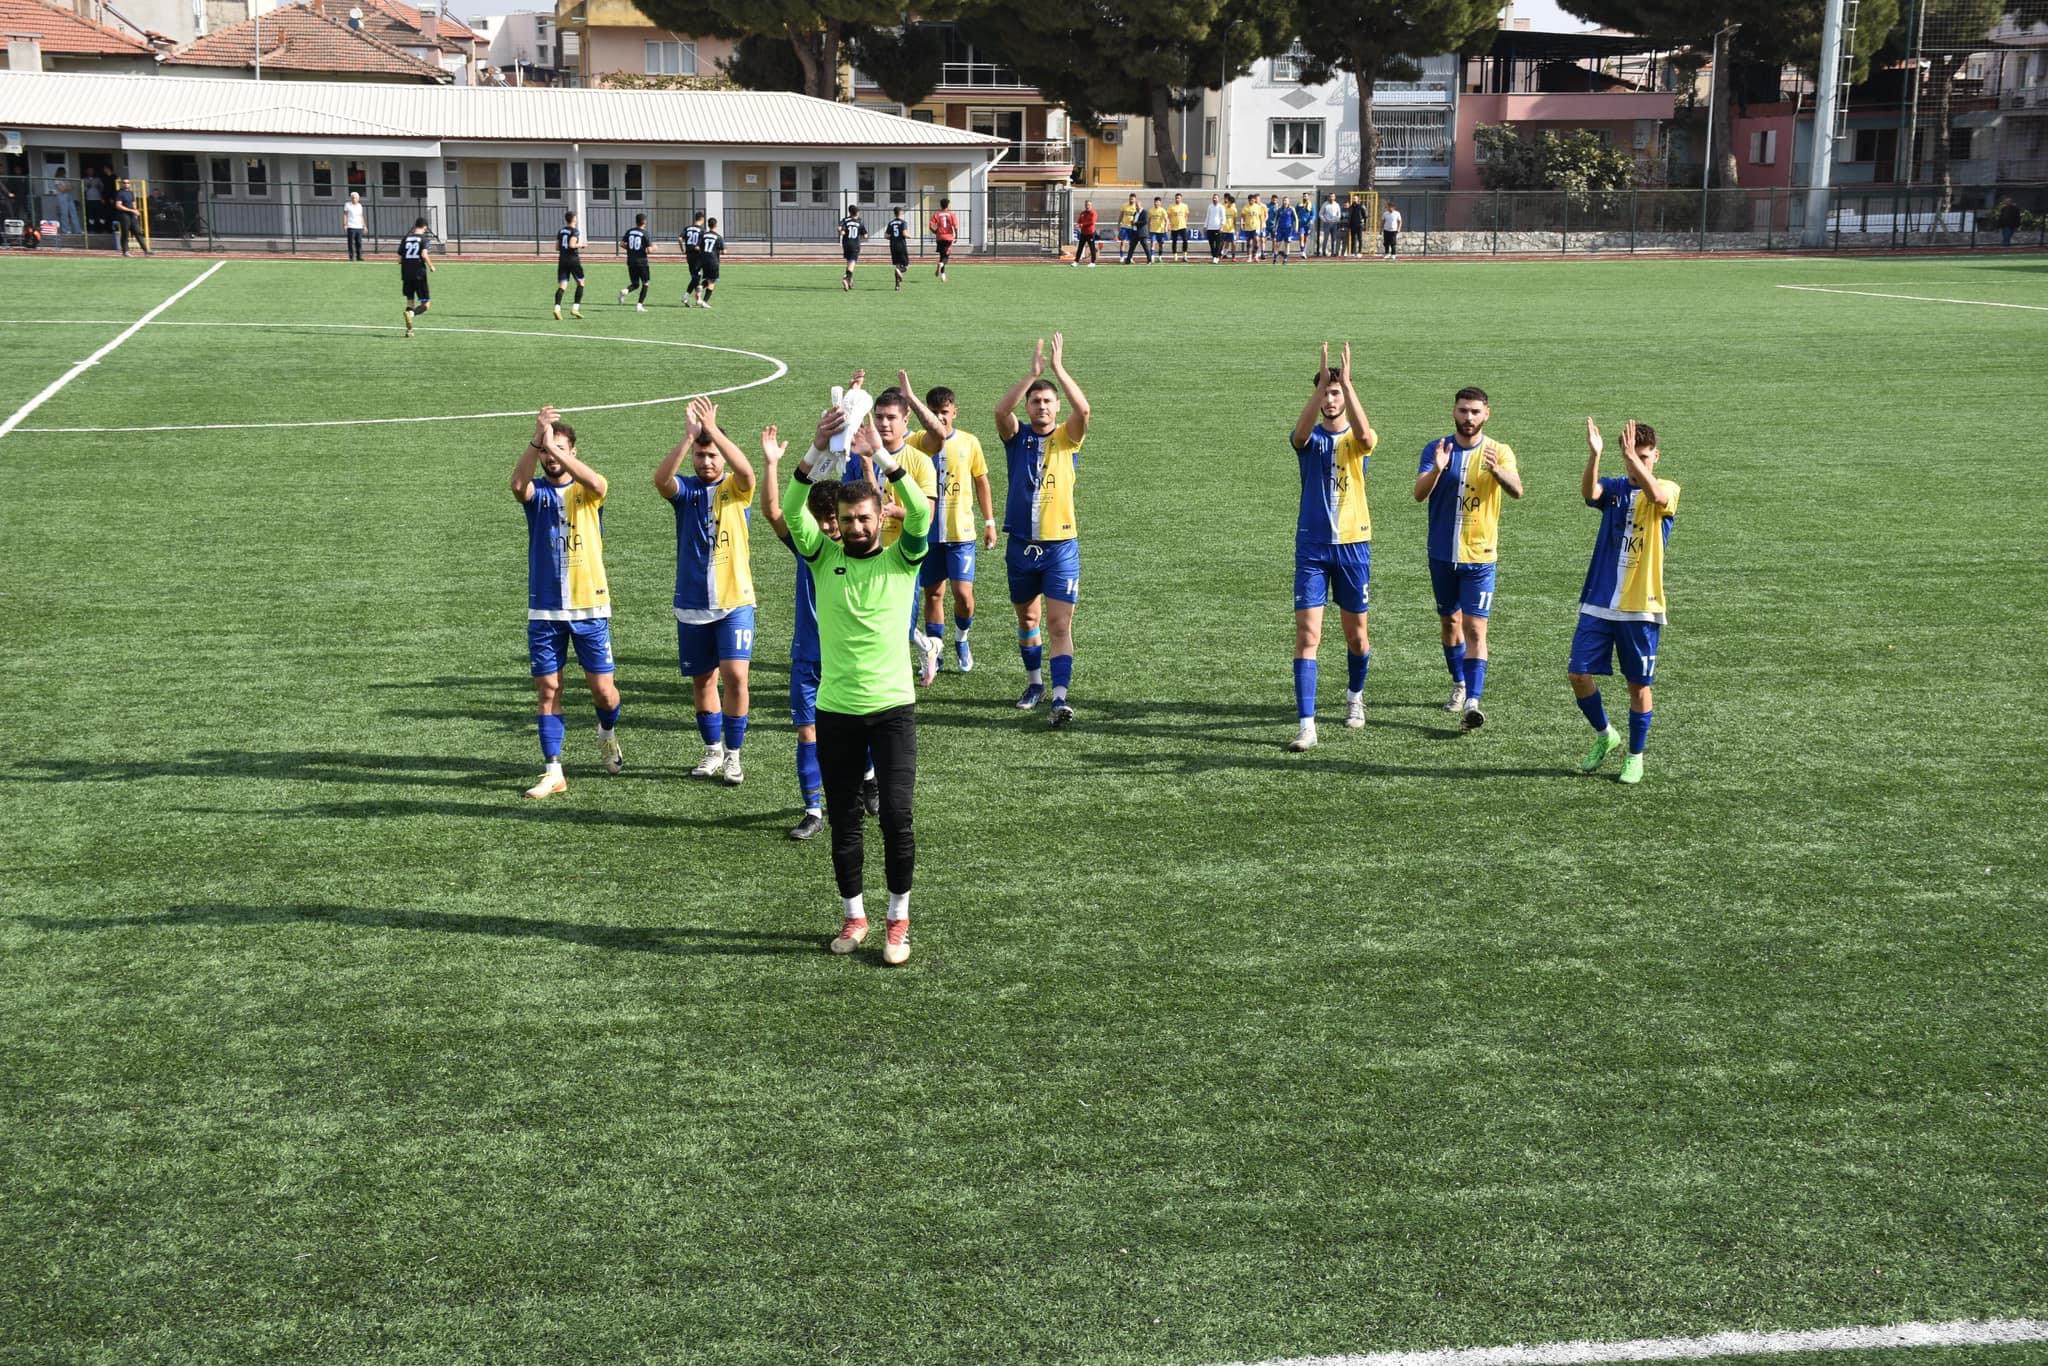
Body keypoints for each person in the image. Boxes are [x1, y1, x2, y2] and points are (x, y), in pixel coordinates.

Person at [785, 409, 933, 965]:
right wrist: (815, 451)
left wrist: (888, 463)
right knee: (844, 820)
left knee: (896, 816)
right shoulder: (822, 559)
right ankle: (854, 916)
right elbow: (789, 511)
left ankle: (898, 919)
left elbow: (919, 514)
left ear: (878, 518)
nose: (857, 527)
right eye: (849, 519)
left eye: (866, 518)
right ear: (840, 522)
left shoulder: (903, 559)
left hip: (893, 710)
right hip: (836, 712)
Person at [512, 405, 622, 800]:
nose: (549, 456)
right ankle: (553, 770)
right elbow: (516, 485)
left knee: (603, 692)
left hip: (590, 608)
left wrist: (554, 446)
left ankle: (606, 733)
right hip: (545, 610)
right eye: (545, 450)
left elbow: (596, 481)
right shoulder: (536, 493)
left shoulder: (588, 491)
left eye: (558, 449)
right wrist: (535, 437)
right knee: (547, 689)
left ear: (572, 451)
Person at [1570, 419, 1679, 786]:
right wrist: (1595, 455)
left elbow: (1658, 499)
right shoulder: (1616, 489)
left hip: (1641, 607)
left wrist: (1633, 459)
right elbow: (1589, 493)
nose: (1637, 464)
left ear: (1656, 457)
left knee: (1638, 687)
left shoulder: (1667, 488)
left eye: (1645, 458)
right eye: (1633, 457)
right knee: (1577, 673)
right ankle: (1605, 735)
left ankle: (1635, 756)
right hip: (1599, 600)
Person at [656, 397, 756, 785]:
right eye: (701, 456)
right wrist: (688, 438)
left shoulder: (736, 488)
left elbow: (747, 471)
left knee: (735, 675)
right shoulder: (686, 491)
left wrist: (713, 431)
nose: (706, 461)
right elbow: (661, 481)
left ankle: (733, 754)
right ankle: (712, 750)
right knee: (703, 681)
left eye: (712, 454)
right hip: (693, 603)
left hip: (735, 601)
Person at [994, 333, 1091, 727]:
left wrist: (1058, 370)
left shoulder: (1068, 437)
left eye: (1048, 401)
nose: (1041, 406)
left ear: (1056, 407)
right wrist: (1031, 375)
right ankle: (1035, 683)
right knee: (1027, 620)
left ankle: (1060, 696)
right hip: (1020, 545)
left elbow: (1084, 410)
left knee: (1058, 624)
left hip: (1060, 547)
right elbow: (1000, 411)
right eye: (1036, 400)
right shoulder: (1016, 437)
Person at [1414, 387, 1523, 731]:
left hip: (1480, 558)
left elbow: (1517, 489)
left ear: (1487, 414)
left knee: (1476, 628)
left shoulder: (1499, 451)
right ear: (1454, 412)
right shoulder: (1437, 449)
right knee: (1450, 624)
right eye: (1463, 411)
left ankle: (1473, 701)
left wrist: (1497, 472)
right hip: (1442, 556)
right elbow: (1419, 494)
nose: (1469, 418)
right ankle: (1459, 683)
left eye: (1475, 411)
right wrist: (1438, 470)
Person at [1287, 344, 1379, 752]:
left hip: (1353, 545)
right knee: (1308, 635)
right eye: (1325, 391)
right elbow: (1300, 433)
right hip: (1312, 548)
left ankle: (1355, 696)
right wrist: (1322, 381)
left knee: (1357, 638)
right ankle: (1307, 724)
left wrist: (1349, 383)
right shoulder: (1309, 441)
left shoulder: (1357, 442)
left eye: (1335, 392)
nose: (1330, 398)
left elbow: (1366, 434)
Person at [759, 425, 840, 840]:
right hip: (809, 655)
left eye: (835, 521)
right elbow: (774, 510)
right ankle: (812, 808)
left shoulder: (862, 549)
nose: (830, 530)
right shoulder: (808, 547)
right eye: (822, 522)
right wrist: (772, 465)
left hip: (849, 658)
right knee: (807, 731)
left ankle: (867, 778)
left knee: (856, 730)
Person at [904, 371, 996, 678]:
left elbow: (981, 481)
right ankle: (935, 649)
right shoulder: (915, 441)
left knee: (964, 595)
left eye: (945, 412)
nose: (941, 418)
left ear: (955, 411)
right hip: (927, 534)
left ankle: (961, 638)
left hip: (961, 532)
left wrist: (990, 521)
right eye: (934, 413)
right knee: (933, 594)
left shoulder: (969, 442)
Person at [399, 216, 435, 337]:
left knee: (410, 302)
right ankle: (412, 315)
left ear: (415, 226)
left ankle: (409, 330)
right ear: (425, 227)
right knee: (426, 304)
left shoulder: (405, 238)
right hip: (419, 274)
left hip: (406, 274)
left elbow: (399, 259)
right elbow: (424, 255)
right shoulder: (423, 239)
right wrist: (431, 266)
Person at [616, 213, 653, 312]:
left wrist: (631, 249)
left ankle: (625, 291)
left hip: (631, 261)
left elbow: (621, 244)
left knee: (635, 284)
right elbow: (649, 250)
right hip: (642, 262)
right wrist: (654, 248)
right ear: (644, 222)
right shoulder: (645, 233)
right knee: (646, 283)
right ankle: (639, 305)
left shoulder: (630, 231)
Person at [552, 210, 584, 320]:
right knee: (581, 283)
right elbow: (571, 245)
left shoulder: (561, 231)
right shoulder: (575, 231)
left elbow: (557, 247)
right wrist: (581, 244)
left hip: (562, 260)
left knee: (562, 285)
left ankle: (557, 309)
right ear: (574, 219)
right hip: (573, 260)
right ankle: (575, 308)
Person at [113, 178, 149, 255]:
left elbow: (133, 203)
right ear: (121, 184)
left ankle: (146, 250)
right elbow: (118, 205)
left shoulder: (130, 193)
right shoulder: (119, 193)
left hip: (131, 215)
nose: (126, 184)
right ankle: (125, 251)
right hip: (124, 215)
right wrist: (131, 210)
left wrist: (135, 211)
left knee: (138, 231)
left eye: (128, 183)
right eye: (124, 183)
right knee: (125, 233)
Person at [696, 216, 725, 308]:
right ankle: (704, 302)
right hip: (713, 261)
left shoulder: (703, 235)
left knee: (708, 279)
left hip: (704, 260)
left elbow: (697, 247)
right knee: (712, 282)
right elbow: (724, 251)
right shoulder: (718, 237)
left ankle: (700, 286)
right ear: (716, 225)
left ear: (708, 225)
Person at [929, 196, 958, 280]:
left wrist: (935, 232)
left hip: (939, 237)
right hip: (948, 237)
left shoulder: (937, 214)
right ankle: (941, 265)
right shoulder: (951, 214)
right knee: (946, 257)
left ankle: (943, 275)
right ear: (947, 205)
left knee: (942, 255)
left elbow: (930, 225)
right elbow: (955, 226)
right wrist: (956, 236)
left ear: (940, 205)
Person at [680, 209, 706, 306]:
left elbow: (679, 239)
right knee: (696, 277)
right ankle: (686, 296)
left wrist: (682, 249)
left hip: (689, 255)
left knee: (694, 277)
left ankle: (697, 299)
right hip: (697, 255)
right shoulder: (702, 230)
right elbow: (702, 244)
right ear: (702, 219)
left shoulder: (687, 228)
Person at [838, 204, 866, 290]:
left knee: (849, 261)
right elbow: (865, 235)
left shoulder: (845, 220)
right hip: (855, 244)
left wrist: (841, 232)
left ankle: (850, 280)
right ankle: (846, 278)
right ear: (857, 212)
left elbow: (839, 228)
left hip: (846, 243)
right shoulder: (859, 221)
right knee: (853, 261)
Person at [885, 203, 912, 291]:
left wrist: (893, 237)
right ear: (900, 212)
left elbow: (886, 236)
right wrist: (909, 236)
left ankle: (897, 286)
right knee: (906, 265)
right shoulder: (903, 223)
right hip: (901, 245)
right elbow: (904, 233)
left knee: (897, 265)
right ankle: (900, 270)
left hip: (893, 245)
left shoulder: (891, 223)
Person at [1073, 198, 1099, 267]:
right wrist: (1078, 224)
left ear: (1091, 205)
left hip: (1090, 233)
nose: (1087, 206)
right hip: (1083, 233)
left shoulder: (1093, 213)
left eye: (1089, 205)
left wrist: (1082, 224)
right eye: (1086, 205)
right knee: (1080, 247)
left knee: (1092, 247)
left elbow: (1092, 222)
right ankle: (1076, 261)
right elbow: (1079, 221)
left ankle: (1093, 262)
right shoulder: (1082, 213)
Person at [1271, 195, 1297, 263]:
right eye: (1284, 200)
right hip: (1280, 229)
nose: (1285, 202)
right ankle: (1275, 258)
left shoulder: (1291, 209)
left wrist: (1296, 227)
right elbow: (1276, 219)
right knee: (1277, 244)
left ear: (1288, 201)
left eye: (1286, 200)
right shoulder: (1279, 209)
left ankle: (1285, 258)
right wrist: (1274, 227)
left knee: (1287, 244)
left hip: (1288, 229)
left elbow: (1296, 219)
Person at [342, 191, 366, 261]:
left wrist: (364, 226)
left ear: (358, 198)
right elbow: (345, 215)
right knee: (351, 243)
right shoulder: (347, 205)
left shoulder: (360, 206)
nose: (354, 199)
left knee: (359, 242)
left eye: (356, 198)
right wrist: (345, 224)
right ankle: (351, 257)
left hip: (359, 226)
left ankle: (359, 256)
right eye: (353, 198)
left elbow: (361, 216)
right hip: (351, 226)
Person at [1117, 193, 1140, 262]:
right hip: (1124, 227)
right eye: (1130, 199)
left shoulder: (1137, 207)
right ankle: (1121, 257)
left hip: (1132, 228)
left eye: (1132, 199)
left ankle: (1130, 257)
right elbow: (1121, 216)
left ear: (1135, 199)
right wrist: (1118, 224)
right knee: (1123, 242)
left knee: (1131, 243)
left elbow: (1138, 217)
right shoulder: (1124, 206)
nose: (1131, 200)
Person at [1320, 192, 1343, 258]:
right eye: (1330, 197)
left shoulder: (1337, 205)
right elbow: (1320, 214)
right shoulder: (1325, 204)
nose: (1331, 198)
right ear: (1328, 197)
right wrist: (1325, 220)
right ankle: (1324, 252)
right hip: (1327, 224)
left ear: (1335, 197)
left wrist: (1337, 219)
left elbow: (1339, 214)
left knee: (1334, 239)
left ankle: (1333, 252)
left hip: (1334, 224)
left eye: (1333, 197)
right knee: (1326, 238)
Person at [1204, 193, 1227, 261]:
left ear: (1218, 199)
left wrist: (1221, 226)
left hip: (1218, 228)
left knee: (1217, 244)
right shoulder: (1210, 206)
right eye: (1213, 198)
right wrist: (1205, 226)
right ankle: (1214, 256)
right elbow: (1207, 217)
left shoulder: (1221, 207)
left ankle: (1216, 257)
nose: (1214, 199)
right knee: (1211, 244)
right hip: (1210, 228)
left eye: (1216, 198)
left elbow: (1223, 218)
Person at [1169, 192, 1191, 261]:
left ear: (1181, 199)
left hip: (1182, 226)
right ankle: (1175, 255)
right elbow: (1168, 216)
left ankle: (1184, 255)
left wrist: (1186, 222)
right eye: (1176, 198)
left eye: (1178, 198)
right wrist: (1169, 224)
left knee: (1185, 240)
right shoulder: (1171, 206)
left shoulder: (1185, 206)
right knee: (1174, 241)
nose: (1177, 199)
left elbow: (1187, 215)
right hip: (1174, 227)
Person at [1346, 192, 1369, 257]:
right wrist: (1349, 224)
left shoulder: (1361, 206)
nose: (1354, 200)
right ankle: (1352, 252)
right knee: (1353, 239)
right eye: (1353, 199)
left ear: (1358, 200)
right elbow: (1349, 216)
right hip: (1352, 225)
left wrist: (1363, 223)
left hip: (1359, 225)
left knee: (1360, 239)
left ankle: (1359, 252)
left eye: (1355, 199)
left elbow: (1365, 216)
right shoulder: (1351, 207)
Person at [1148, 196, 1168, 263]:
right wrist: (1148, 228)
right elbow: (1149, 220)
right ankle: (1152, 257)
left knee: (1161, 245)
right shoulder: (1151, 210)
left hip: (1161, 231)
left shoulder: (1163, 210)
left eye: (1158, 202)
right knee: (1153, 243)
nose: (1156, 203)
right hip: (1153, 230)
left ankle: (1159, 256)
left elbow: (1166, 220)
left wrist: (1165, 227)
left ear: (1160, 203)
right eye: (1155, 202)